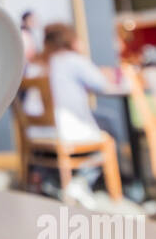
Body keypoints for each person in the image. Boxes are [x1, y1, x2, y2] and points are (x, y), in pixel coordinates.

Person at [21, 23, 128, 201]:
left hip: (35, 132)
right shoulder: (73, 60)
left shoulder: (35, 63)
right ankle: (85, 180)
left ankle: (57, 180)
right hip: (65, 130)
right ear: (71, 40)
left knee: (103, 119)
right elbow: (101, 84)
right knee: (108, 128)